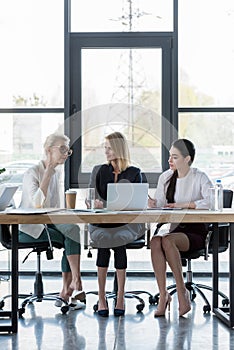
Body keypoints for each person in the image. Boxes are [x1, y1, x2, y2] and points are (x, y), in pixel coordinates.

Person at [19, 133, 85, 308]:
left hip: (48, 223)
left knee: (73, 230)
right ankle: (71, 286)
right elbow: (37, 204)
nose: (66, 153)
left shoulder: (56, 173)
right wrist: (47, 173)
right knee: (70, 235)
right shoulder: (32, 172)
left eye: (67, 150)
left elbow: (54, 209)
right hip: (29, 228)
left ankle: (70, 287)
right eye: (62, 149)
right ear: (49, 150)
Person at [149, 138, 213, 317]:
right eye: (170, 156)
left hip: (195, 232)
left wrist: (185, 204)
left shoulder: (199, 176)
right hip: (174, 229)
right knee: (155, 242)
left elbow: (212, 200)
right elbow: (161, 205)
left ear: (188, 159)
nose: (170, 160)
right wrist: (152, 203)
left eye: (175, 157)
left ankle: (181, 291)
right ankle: (163, 295)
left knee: (167, 241)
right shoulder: (166, 177)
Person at [87, 131, 144, 317]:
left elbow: (139, 205)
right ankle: (102, 297)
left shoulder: (135, 173)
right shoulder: (99, 170)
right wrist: (93, 203)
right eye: (105, 148)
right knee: (104, 240)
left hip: (126, 226)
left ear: (119, 149)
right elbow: (90, 200)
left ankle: (120, 297)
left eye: (109, 148)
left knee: (118, 239)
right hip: (101, 225)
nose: (106, 152)